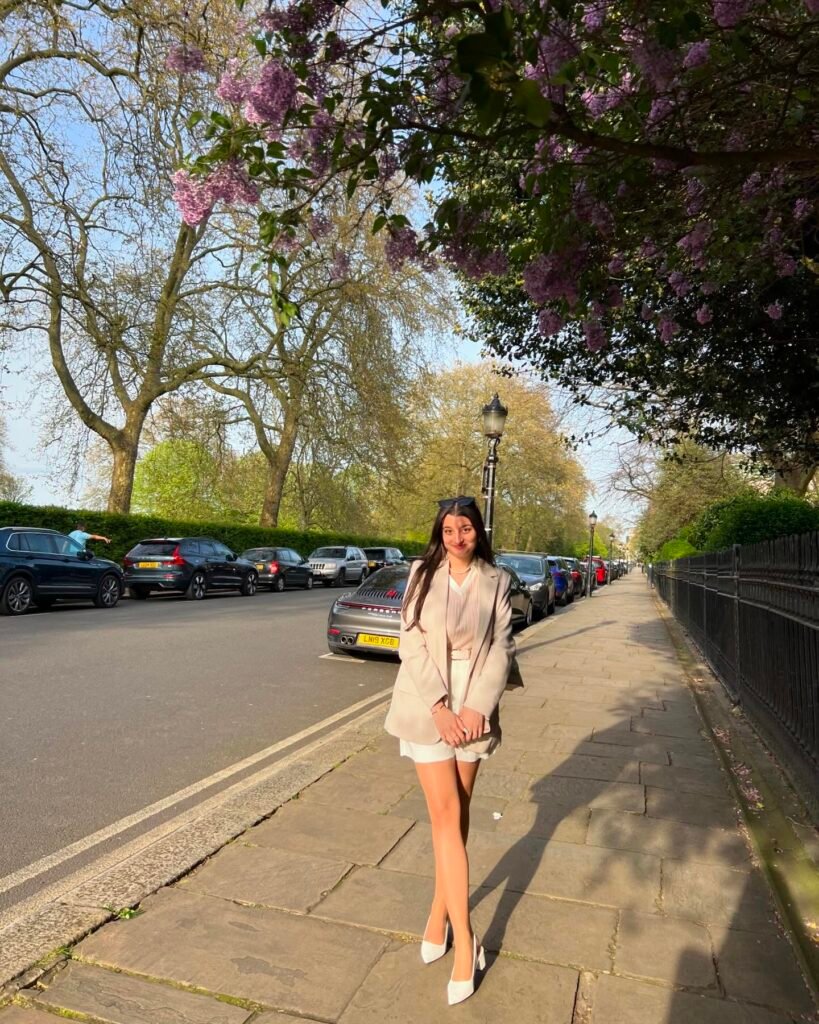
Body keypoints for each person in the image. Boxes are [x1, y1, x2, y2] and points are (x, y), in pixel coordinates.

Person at [385, 496, 514, 1005]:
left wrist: (479, 704)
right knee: (443, 816)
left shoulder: (497, 580)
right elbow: (409, 641)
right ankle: (467, 943)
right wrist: (440, 707)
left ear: (478, 532)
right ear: (438, 532)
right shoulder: (420, 574)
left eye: (465, 528)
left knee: (458, 814)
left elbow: (503, 645)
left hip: (475, 705)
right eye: (448, 528)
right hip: (426, 701)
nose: (456, 537)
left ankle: (438, 913)